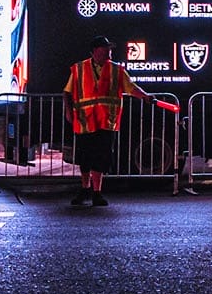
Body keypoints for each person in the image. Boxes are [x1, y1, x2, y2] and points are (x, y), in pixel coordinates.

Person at [64, 36, 151, 207]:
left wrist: (145, 96)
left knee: (101, 157)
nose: (108, 54)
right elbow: (67, 91)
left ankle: (97, 192)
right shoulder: (79, 68)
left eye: (109, 51)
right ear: (94, 51)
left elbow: (131, 87)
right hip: (85, 120)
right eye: (105, 50)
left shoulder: (116, 70)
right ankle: (84, 189)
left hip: (105, 121)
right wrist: (68, 111)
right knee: (84, 158)